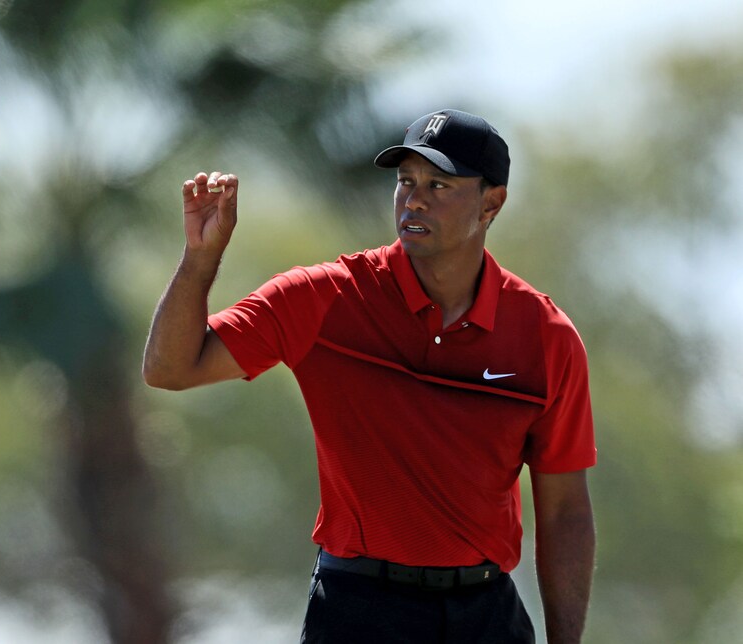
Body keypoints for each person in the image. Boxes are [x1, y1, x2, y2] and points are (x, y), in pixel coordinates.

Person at [142, 108, 596, 643]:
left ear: (491, 202)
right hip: (359, 611)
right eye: (406, 182)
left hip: (485, 615)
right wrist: (200, 258)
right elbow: (170, 369)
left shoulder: (545, 336)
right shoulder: (324, 298)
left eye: (440, 184)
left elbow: (565, 510)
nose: (415, 199)